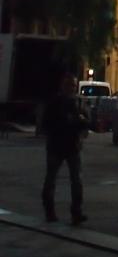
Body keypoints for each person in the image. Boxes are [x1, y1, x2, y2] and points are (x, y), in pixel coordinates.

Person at [41, 72, 88, 225]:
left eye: (73, 85)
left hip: (73, 145)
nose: (71, 88)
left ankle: (76, 212)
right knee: (51, 179)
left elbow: (86, 121)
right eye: (68, 85)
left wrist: (82, 124)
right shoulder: (55, 102)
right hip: (56, 145)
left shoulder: (78, 102)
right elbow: (47, 123)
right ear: (62, 86)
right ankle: (49, 211)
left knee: (76, 180)